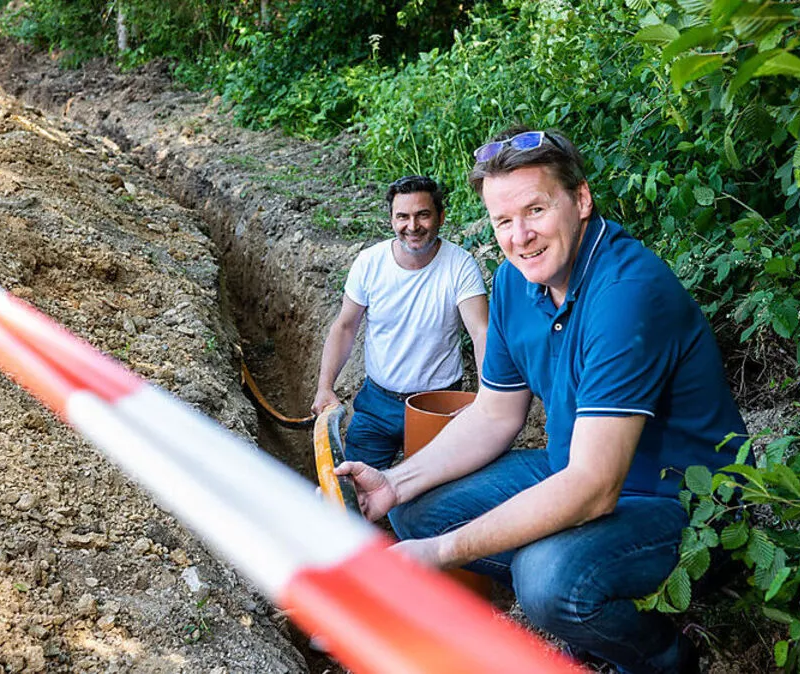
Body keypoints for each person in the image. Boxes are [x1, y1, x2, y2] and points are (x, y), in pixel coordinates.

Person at [335, 128, 747, 674]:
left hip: (688, 504)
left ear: (580, 199)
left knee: (547, 579)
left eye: (535, 210)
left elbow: (593, 488)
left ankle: (664, 656)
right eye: (503, 221)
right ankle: (588, 614)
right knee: (419, 508)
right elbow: (495, 412)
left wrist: (441, 554)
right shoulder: (513, 282)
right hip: (575, 469)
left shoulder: (627, 294)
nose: (521, 236)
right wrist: (396, 481)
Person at [311, 175, 489, 470]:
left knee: (429, 499)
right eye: (403, 216)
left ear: (441, 217)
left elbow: (481, 333)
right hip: (377, 404)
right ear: (391, 220)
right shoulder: (369, 263)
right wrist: (324, 386)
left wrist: (484, 402)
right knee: (355, 487)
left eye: (423, 215)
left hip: (437, 406)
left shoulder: (460, 265)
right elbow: (344, 327)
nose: (413, 226)